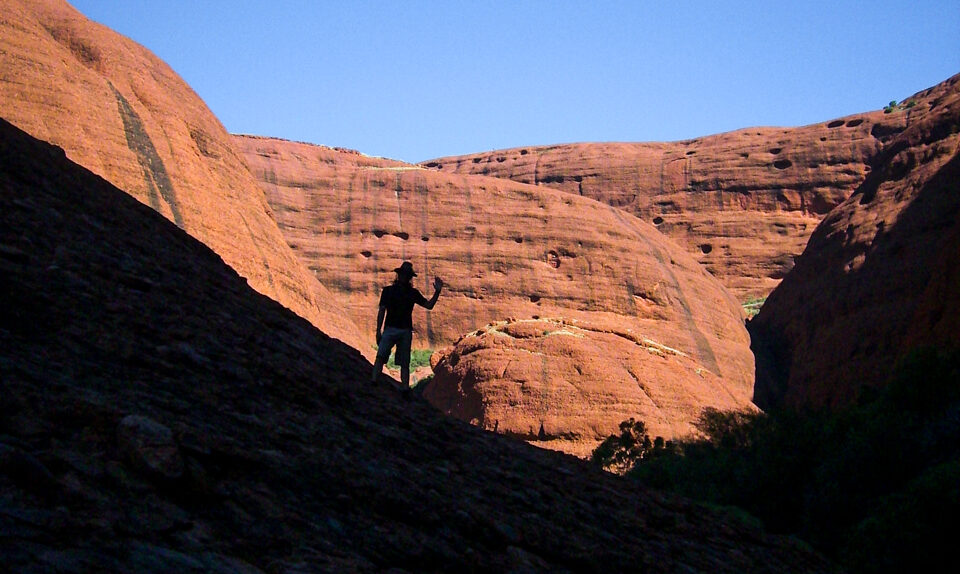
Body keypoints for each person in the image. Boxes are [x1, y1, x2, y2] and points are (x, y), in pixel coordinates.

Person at [371, 261, 443, 389]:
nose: (405, 277)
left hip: (404, 331)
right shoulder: (388, 291)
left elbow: (429, 305)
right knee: (381, 356)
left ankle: (404, 389)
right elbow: (382, 311)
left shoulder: (412, 293)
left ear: (409, 277)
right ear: (399, 275)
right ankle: (374, 381)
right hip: (391, 329)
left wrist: (437, 292)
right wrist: (378, 331)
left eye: (407, 275)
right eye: (403, 274)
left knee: (404, 362)